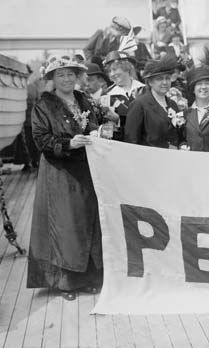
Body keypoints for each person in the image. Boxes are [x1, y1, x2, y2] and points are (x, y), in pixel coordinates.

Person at [27, 55, 103, 301]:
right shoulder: (44, 106)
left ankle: (91, 277)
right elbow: (40, 139)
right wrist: (68, 143)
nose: (67, 78)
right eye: (61, 75)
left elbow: (94, 122)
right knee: (66, 225)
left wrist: (98, 131)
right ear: (52, 78)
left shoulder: (83, 99)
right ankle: (67, 282)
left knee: (88, 221)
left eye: (71, 73)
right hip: (60, 172)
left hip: (86, 170)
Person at [125, 57, 182, 148]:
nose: (164, 82)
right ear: (150, 82)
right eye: (159, 79)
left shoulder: (173, 104)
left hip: (173, 158)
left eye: (167, 78)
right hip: (149, 158)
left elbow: (179, 134)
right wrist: (166, 147)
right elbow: (131, 141)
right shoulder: (139, 105)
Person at [103, 51, 145, 140]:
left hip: (146, 144)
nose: (112, 74)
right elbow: (107, 130)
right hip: (121, 144)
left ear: (127, 68)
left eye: (114, 69)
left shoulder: (144, 90)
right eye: (109, 71)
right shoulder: (107, 95)